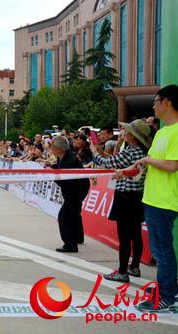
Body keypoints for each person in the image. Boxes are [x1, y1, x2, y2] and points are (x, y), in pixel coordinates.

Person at [134, 85, 178, 313]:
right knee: (161, 248)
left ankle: (166, 296)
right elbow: (153, 159)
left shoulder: (177, 132)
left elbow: (172, 166)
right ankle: (170, 288)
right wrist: (139, 165)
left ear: (167, 102)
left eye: (156, 100)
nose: (153, 105)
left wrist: (148, 161)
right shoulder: (162, 132)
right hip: (152, 198)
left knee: (162, 251)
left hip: (165, 200)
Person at [91, 119, 151, 283]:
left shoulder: (132, 151)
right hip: (137, 196)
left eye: (127, 131)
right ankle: (134, 267)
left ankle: (123, 271)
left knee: (124, 236)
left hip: (125, 197)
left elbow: (108, 162)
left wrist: (95, 152)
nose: (124, 133)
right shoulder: (142, 151)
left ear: (133, 136)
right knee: (135, 234)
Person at [50, 136, 90, 252]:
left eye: (53, 147)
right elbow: (59, 169)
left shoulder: (69, 161)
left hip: (76, 190)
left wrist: (51, 176)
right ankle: (78, 238)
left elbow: (64, 181)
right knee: (74, 214)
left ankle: (70, 244)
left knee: (64, 216)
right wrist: (53, 168)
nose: (51, 149)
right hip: (74, 188)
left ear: (59, 148)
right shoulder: (63, 157)